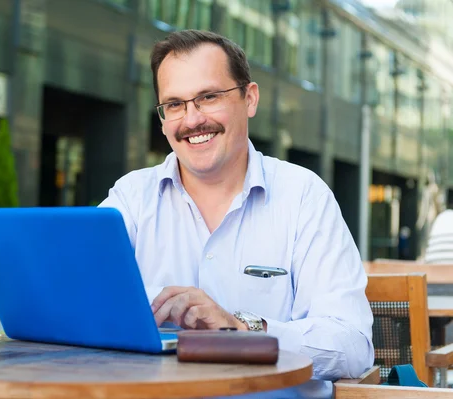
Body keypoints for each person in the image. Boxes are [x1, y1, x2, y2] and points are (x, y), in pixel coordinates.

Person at [99, 29, 374, 394]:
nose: (192, 120)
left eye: (208, 97)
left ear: (250, 98)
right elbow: (79, 292)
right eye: (175, 104)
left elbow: (352, 345)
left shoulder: (303, 195)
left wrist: (239, 328)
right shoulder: (132, 196)